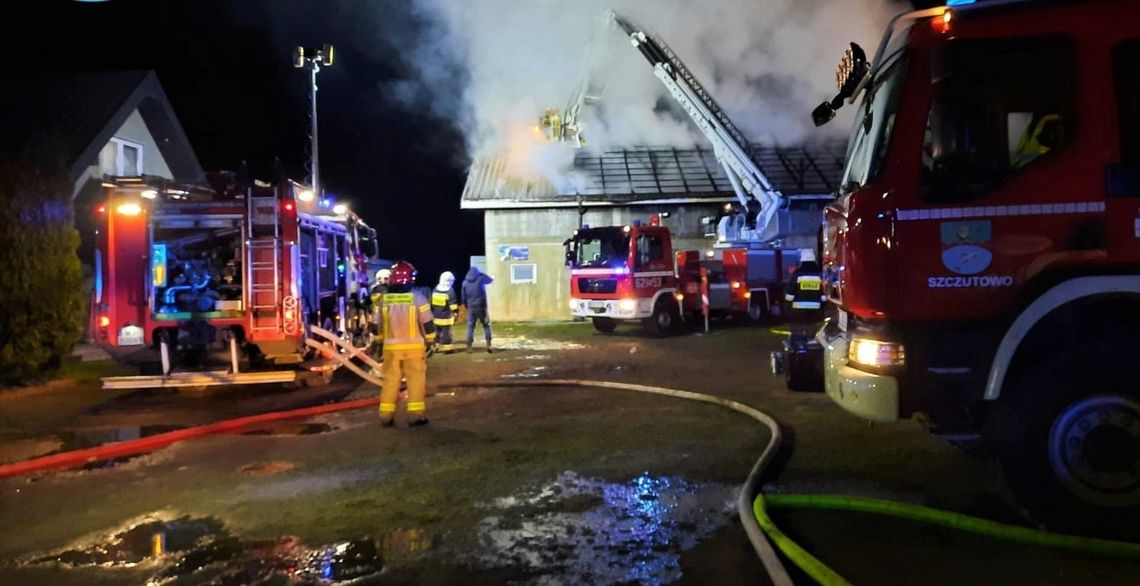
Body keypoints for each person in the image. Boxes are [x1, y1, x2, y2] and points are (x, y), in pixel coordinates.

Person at [376, 261, 435, 428]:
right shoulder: (418, 298)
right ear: (409, 278)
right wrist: (431, 341)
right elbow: (428, 324)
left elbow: (375, 325)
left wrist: (379, 343)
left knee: (390, 382)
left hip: (390, 350)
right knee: (415, 381)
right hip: (414, 349)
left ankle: (385, 417)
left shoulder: (383, 300)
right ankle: (415, 416)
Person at [784, 248, 825, 326]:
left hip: (798, 309)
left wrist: (787, 304)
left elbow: (791, 292)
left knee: (800, 329)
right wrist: (824, 303)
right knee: (812, 327)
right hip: (815, 308)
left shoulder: (797, 273)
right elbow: (824, 292)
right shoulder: (819, 273)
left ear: (802, 259)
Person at [461, 266, 494, 353]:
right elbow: (490, 280)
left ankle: (469, 347)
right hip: (481, 306)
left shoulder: (464, 282)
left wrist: (467, 306)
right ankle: (488, 345)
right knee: (486, 325)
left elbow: (463, 297)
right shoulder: (480, 279)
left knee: (470, 327)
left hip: (471, 307)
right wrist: (482, 274)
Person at [430, 271, 459, 353]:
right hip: (446, 317)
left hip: (436, 316)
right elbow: (453, 305)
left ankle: (435, 347)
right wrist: (455, 313)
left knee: (437, 333)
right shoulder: (450, 291)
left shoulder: (435, 289)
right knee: (447, 333)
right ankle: (448, 348)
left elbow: (431, 303)